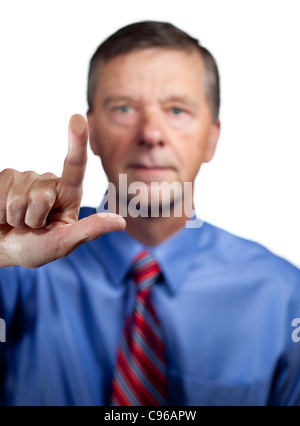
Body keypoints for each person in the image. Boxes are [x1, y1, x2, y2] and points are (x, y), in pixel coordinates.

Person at [0, 21, 300, 407]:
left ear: (212, 137)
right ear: (91, 131)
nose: (151, 133)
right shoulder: (17, 272)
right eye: (124, 108)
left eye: (177, 109)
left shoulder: (284, 297)